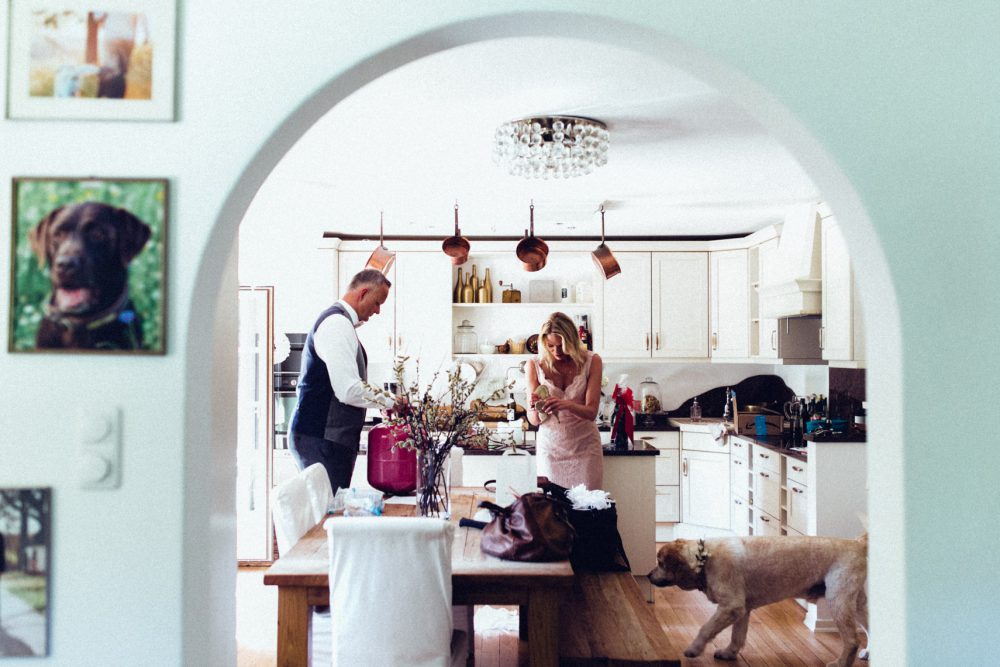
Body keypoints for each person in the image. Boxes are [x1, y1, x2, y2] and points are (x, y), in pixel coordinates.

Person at [288, 268, 395, 493]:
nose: (377, 311)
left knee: (332, 510)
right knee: (329, 515)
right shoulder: (336, 324)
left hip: (327, 438)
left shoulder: (341, 323)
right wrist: (391, 401)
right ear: (363, 292)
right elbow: (348, 390)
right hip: (321, 438)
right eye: (377, 303)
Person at [525, 312, 604, 489]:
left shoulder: (592, 361)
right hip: (551, 449)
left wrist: (565, 405)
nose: (556, 351)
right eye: (550, 346)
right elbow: (535, 420)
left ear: (572, 340)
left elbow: (591, 412)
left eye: (561, 345)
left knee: (586, 508)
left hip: (585, 448)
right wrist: (535, 407)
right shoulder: (534, 365)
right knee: (552, 509)